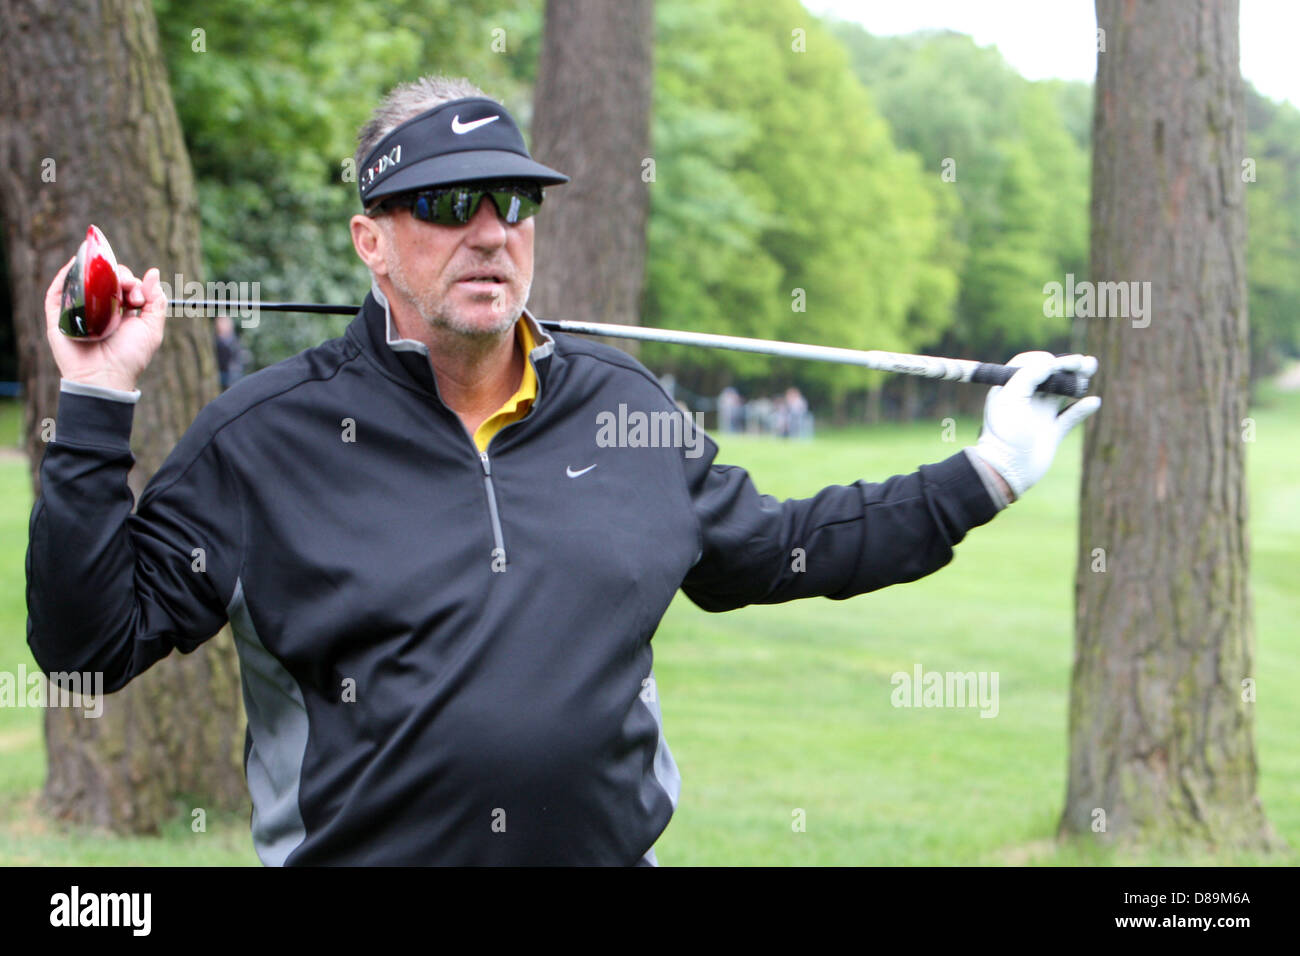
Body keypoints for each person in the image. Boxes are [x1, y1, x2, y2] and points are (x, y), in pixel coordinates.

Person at [27, 75, 1101, 866]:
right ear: (370, 239)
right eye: (448, 205)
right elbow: (89, 643)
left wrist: (989, 470)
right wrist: (96, 396)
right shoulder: (261, 439)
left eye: (512, 201)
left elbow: (775, 550)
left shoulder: (620, 406)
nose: (489, 231)